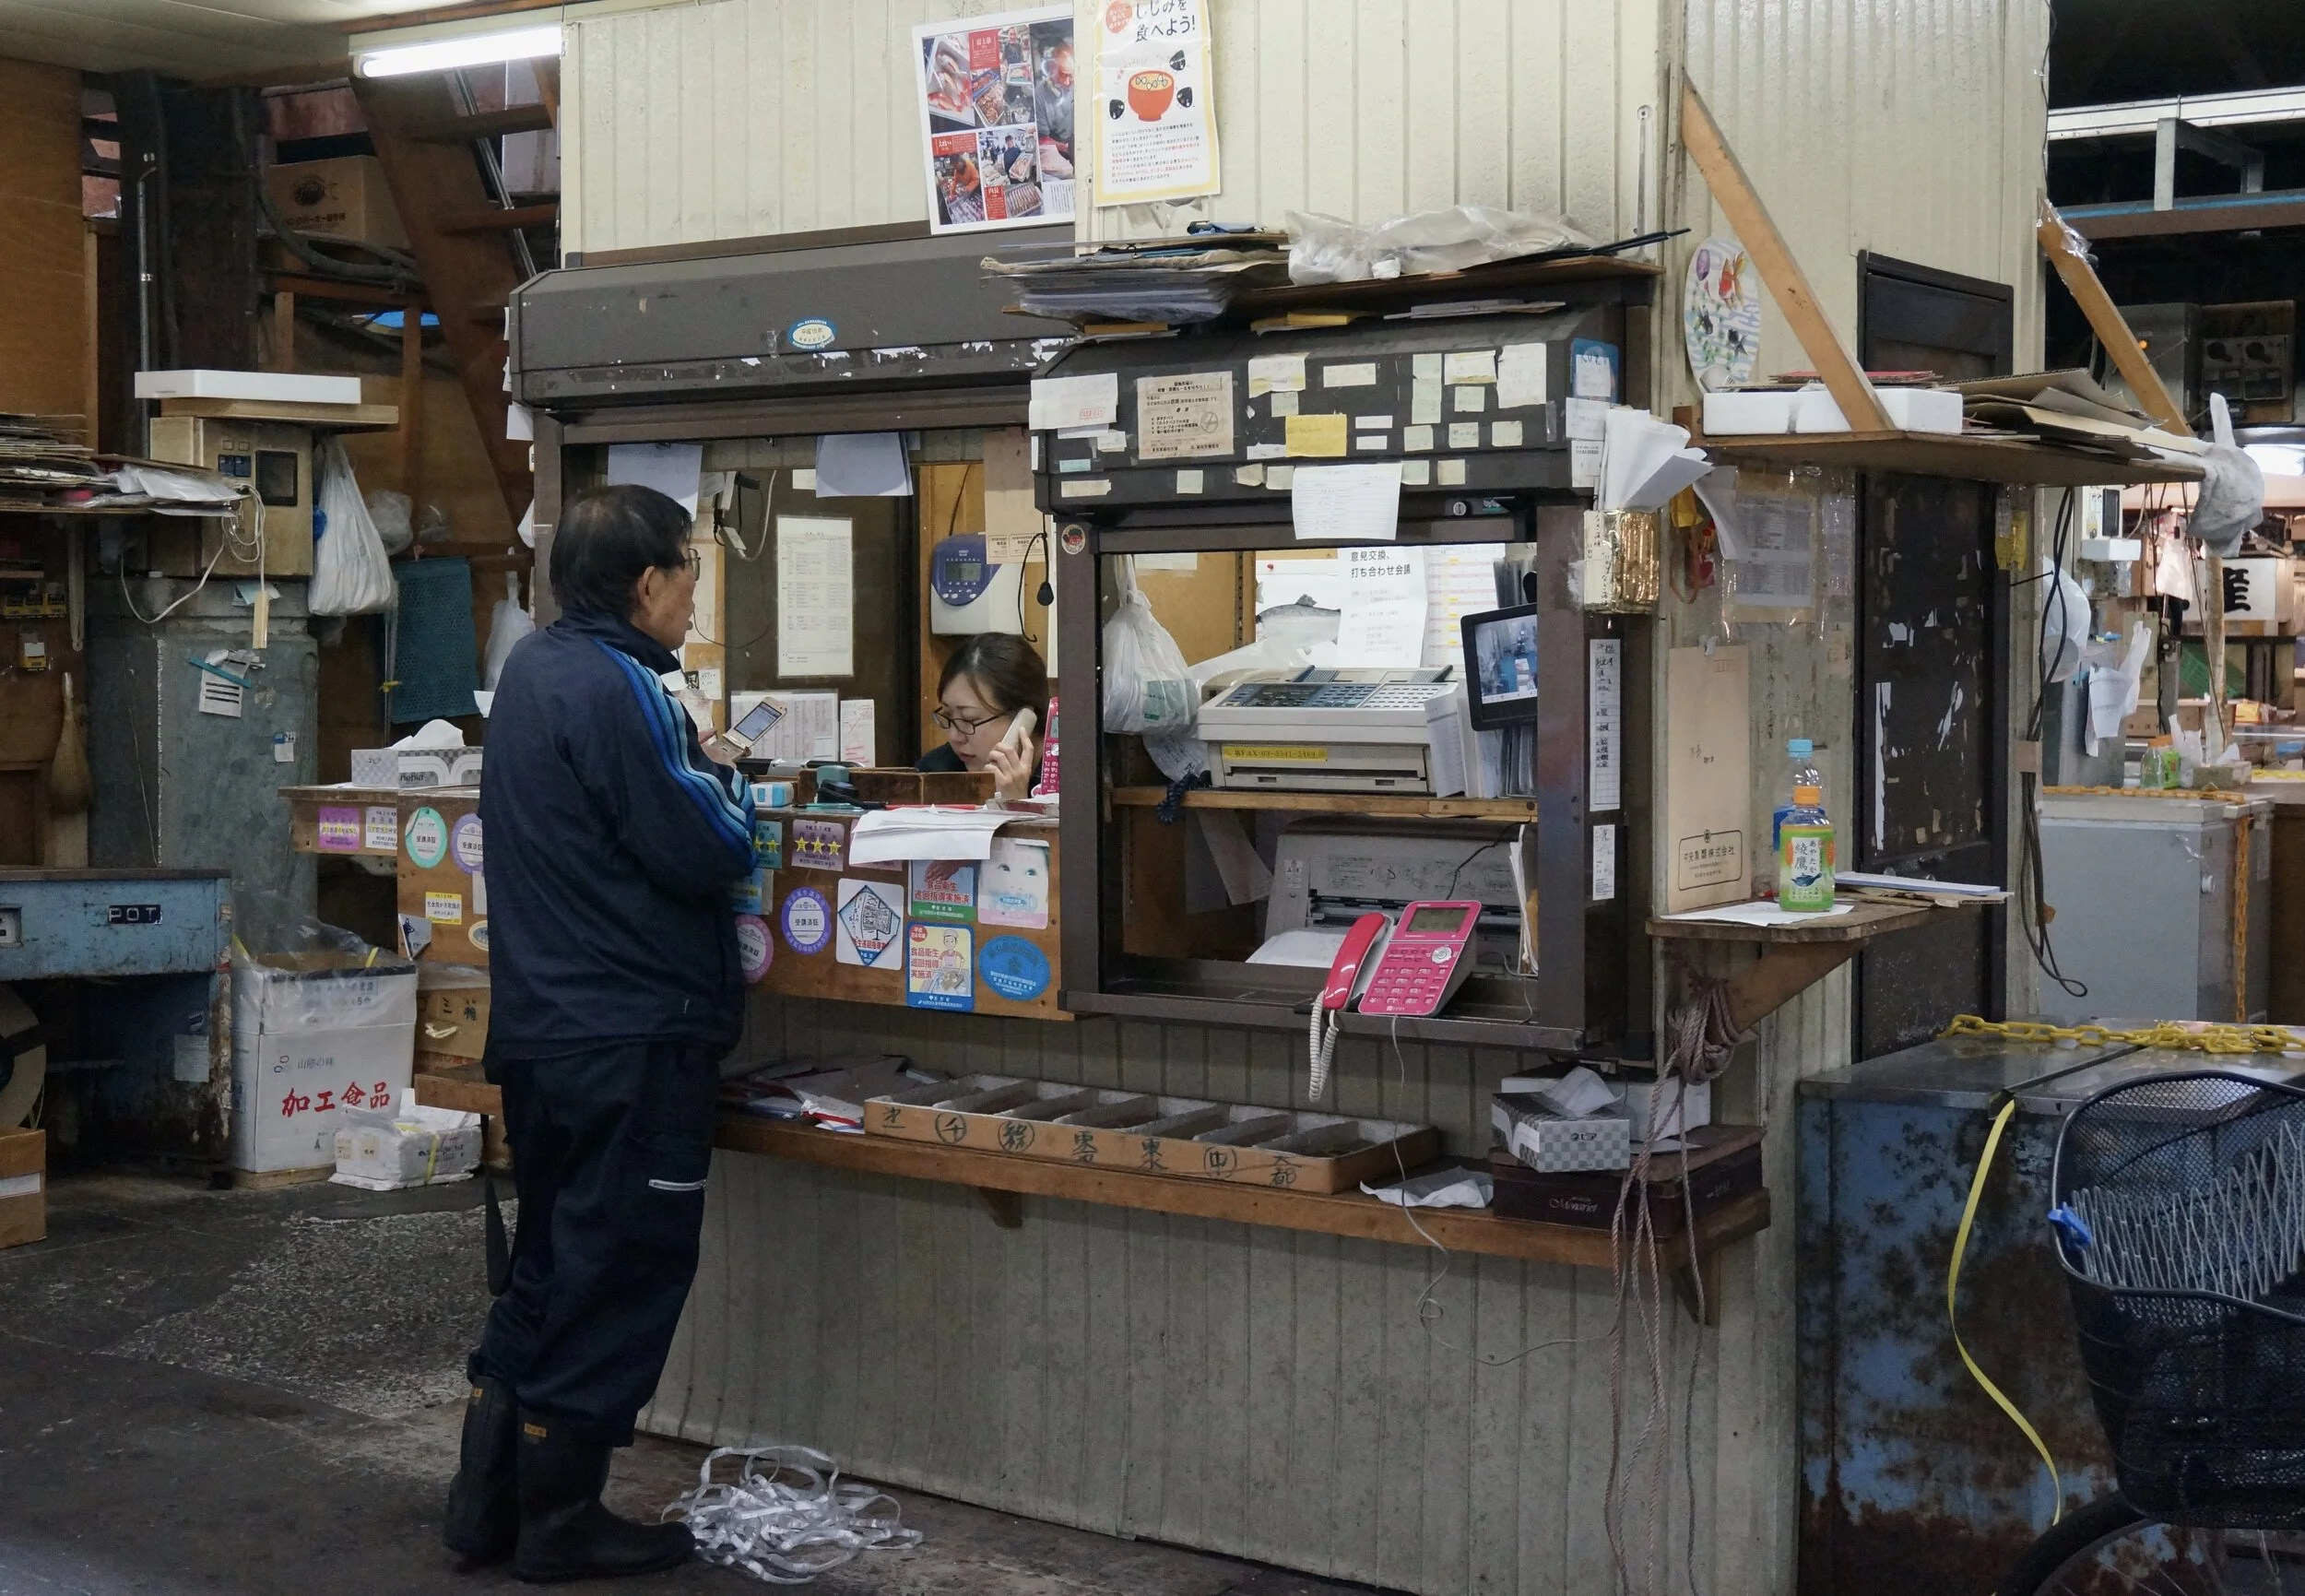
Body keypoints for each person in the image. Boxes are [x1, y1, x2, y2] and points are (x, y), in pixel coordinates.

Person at [443, 484, 755, 1582]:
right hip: (631, 1031)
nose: (690, 599)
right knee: (616, 1269)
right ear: (647, 584)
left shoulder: (529, 670)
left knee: (549, 1263)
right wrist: (733, 779)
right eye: (688, 577)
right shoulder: (625, 684)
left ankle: (484, 1506)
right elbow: (707, 845)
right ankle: (561, 1521)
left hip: (543, 1030)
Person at [916, 632, 1046, 801]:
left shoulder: (1075, 776)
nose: (954, 737)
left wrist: (1014, 803)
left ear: (1024, 719)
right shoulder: (938, 770)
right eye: (948, 716)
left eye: (969, 720)